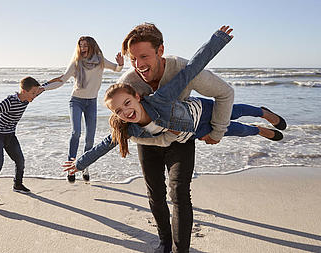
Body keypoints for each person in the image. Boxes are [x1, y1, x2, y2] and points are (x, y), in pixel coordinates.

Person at [66, 25, 283, 253]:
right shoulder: (128, 97)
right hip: (155, 142)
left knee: (185, 186)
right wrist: (80, 163)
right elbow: (106, 143)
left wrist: (218, 40)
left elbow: (194, 69)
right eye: (133, 59)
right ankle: (164, 243)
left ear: (160, 51)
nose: (139, 64)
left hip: (195, 122)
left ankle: (260, 118)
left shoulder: (164, 92)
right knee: (155, 195)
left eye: (144, 56)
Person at [42, 36, 124, 183]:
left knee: (90, 138)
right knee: (76, 132)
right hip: (76, 101)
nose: (83, 48)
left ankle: (85, 166)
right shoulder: (76, 62)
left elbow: (116, 69)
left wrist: (120, 64)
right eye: (81, 45)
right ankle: (70, 168)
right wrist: (43, 88)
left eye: (85, 45)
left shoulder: (100, 60)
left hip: (91, 103)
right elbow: (62, 80)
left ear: (91, 46)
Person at [0, 76, 43, 204]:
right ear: (24, 91)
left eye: (36, 93)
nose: (35, 96)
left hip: (10, 135)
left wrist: (58, 79)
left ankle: (17, 185)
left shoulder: (27, 98)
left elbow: (43, 88)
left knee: (20, 161)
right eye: (33, 93)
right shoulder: (10, 101)